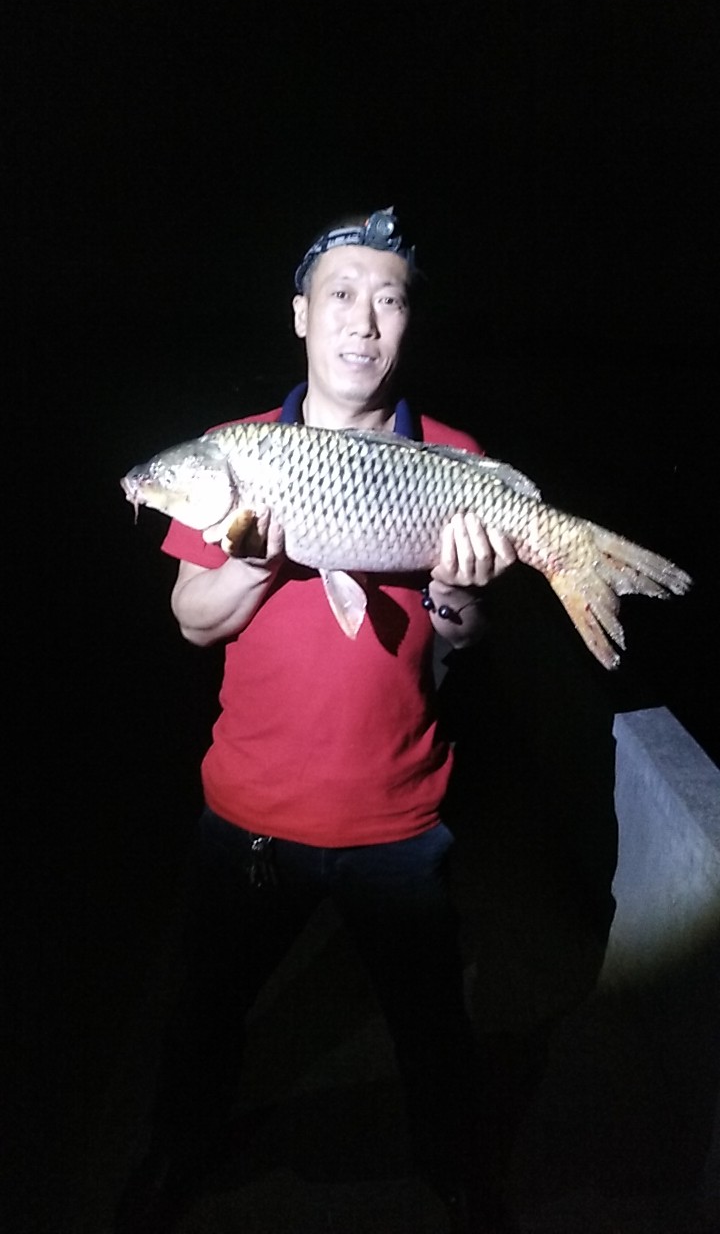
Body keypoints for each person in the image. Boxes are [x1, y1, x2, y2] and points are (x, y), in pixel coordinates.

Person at [115, 208, 518, 1234]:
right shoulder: (236, 451)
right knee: (205, 1014)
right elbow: (191, 620)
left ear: (406, 323)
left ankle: (454, 1165)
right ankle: (178, 1152)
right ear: (301, 315)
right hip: (252, 810)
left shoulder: (452, 455)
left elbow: (461, 635)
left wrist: (462, 596)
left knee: (432, 1023)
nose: (363, 320)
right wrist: (250, 560)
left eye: (388, 298)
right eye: (341, 294)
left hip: (399, 815)